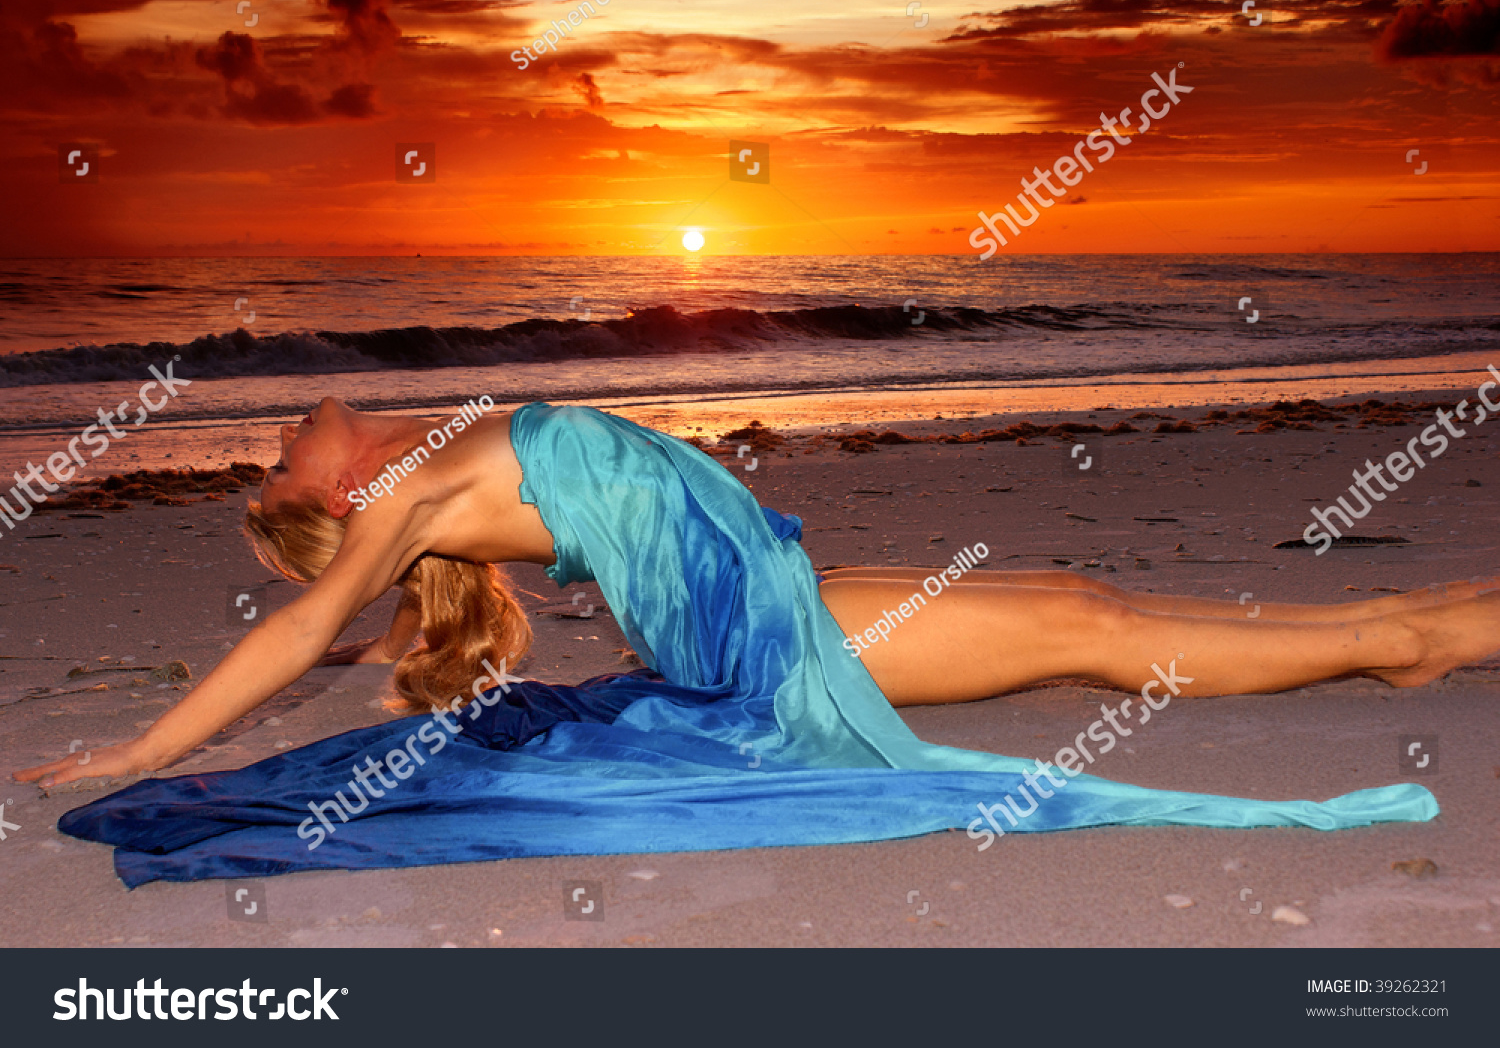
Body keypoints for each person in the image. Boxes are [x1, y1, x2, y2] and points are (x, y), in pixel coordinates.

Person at [13, 399, 1488, 885]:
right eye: (271, 474)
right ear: (335, 499)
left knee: (1073, 596)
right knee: (1089, 636)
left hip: (758, 575)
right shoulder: (401, 496)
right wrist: (150, 745)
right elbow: (301, 637)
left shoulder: (424, 452)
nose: (269, 447)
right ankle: (1403, 636)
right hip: (753, 630)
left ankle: (1389, 626)